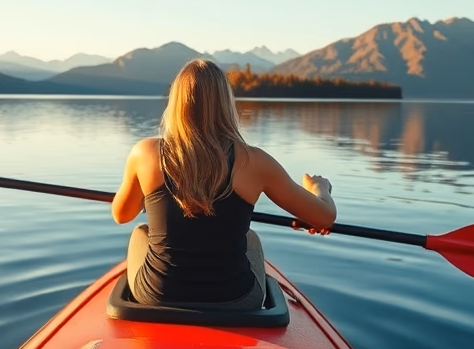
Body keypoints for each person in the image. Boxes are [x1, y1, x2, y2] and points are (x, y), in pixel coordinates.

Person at [112, 59, 337, 310]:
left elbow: (122, 214)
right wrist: (319, 189)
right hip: (236, 300)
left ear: (176, 103)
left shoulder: (144, 153)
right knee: (250, 238)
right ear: (225, 103)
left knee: (141, 232)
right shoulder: (255, 161)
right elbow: (324, 217)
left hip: (157, 296)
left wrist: (151, 195)